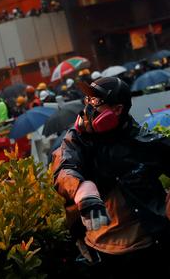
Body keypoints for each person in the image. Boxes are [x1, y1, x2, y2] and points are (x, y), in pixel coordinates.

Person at [52, 77, 170, 276]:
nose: (89, 106)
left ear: (117, 110)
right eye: (87, 100)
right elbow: (64, 166)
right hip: (104, 249)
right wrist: (81, 189)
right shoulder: (78, 140)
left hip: (150, 243)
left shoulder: (143, 141)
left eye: (96, 101)